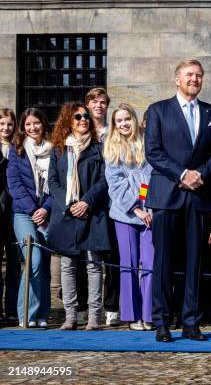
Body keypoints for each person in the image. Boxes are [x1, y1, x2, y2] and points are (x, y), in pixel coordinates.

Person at [145, 59, 211, 342]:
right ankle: (163, 322)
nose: (195, 79)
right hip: (167, 195)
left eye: (199, 75)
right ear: (177, 79)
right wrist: (182, 174)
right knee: (164, 261)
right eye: (189, 75)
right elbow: (153, 152)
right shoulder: (158, 110)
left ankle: (191, 321)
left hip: (199, 195)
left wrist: (201, 174)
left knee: (196, 261)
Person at [47, 102, 111, 330]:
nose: (83, 119)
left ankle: (94, 317)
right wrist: (72, 203)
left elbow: (105, 180)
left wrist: (86, 202)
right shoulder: (58, 149)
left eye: (85, 116)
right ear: (68, 120)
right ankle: (70, 316)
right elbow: (52, 182)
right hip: (66, 214)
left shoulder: (99, 148)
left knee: (94, 265)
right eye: (78, 116)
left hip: (93, 212)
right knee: (68, 266)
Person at [104, 103, 154, 331]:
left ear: (134, 119)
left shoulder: (147, 143)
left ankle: (149, 314)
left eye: (127, 119)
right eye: (119, 120)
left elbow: (149, 179)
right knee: (130, 263)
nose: (124, 124)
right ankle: (133, 315)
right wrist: (135, 208)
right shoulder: (112, 148)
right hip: (125, 215)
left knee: (151, 262)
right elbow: (115, 185)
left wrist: (149, 206)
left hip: (149, 213)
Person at [6, 108, 53, 328]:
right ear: (23, 127)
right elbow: (14, 183)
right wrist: (34, 210)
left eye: (36, 123)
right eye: (28, 125)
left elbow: (60, 183)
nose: (32, 128)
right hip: (23, 213)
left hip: (48, 214)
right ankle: (26, 314)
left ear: (43, 123)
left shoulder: (56, 149)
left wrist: (45, 209)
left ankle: (43, 314)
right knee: (32, 259)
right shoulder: (17, 150)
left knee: (44, 265)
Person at [85, 87, 121, 327]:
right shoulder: (81, 130)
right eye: (94, 102)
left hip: (112, 200)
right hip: (88, 201)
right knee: (86, 257)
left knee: (115, 256)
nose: (99, 106)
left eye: (102, 102)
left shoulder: (113, 132)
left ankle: (112, 306)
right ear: (87, 105)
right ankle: (83, 306)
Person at [0, 107, 19, 326]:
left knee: (14, 265)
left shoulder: (18, 148)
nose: (6, 128)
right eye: (3, 124)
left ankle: (13, 310)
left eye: (10, 124)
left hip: (14, 213)